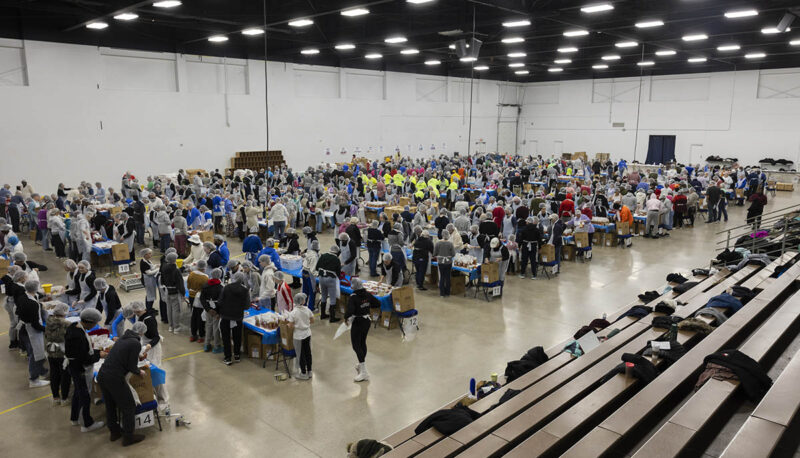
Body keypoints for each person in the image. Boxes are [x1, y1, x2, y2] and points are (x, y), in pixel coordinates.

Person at [96, 321, 147, 447]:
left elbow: (122, 355)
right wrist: (138, 371)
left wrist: (137, 357)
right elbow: (131, 366)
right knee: (129, 406)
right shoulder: (135, 343)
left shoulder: (123, 338)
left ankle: (114, 432)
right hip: (114, 378)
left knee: (110, 404)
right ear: (141, 333)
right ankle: (128, 437)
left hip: (102, 374)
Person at [64, 308, 105, 432]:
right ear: (88, 322)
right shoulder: (78, 336)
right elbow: (85, 359)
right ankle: (86, 424)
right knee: (84, 396)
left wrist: (97, 351)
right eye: (94, 323)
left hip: (75, 366)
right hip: (80, 370)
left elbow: (83, 351)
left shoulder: (74, 326)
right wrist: (99, 355)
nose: (94, 326)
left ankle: (75, 418)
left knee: (77, 392)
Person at [131, 301, 169, 410]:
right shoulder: (140, 317)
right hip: (145, 347)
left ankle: (164, 400)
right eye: (135, 312)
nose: (136, 313)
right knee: (148, 372)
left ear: (142, 309)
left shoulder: (149, 319)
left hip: (153, 348)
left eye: (137, 311)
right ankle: (153, 395)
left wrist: (148, 346)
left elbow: (156, 337)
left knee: (155, 372)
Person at [345, 278, 380, 382]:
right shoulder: (367, 294)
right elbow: (377, 303)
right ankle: (361, 364)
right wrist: (367, 306)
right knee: (362, 342)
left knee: (356, 345)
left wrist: (346, 318)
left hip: (358, 322)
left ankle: (364, 372)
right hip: (366, 322)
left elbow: (350, 311)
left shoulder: (353, 297)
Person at [17, 279, 50, 387]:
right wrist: (47, 330)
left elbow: (18, 312)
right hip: (30, 331)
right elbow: (35, 324)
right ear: (36, 288)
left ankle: (42, 371)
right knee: (35, 355)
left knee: (37, 353)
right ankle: (34, 380)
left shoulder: (22, 296)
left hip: (23, 328)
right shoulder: (32, 304)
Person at [218, 271, 250, 365]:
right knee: (237, 336)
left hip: (226, 316)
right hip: (238, 316)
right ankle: (237, 355)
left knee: (226, 337)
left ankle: (227, 357)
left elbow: (220, 301)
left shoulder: (226, 288)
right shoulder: (245, 290)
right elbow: (247, 306)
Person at [45, 302, 72, 405]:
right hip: (62, 353)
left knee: (54, 374)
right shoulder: (66, 324)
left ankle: (55, 397)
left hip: (50, 351)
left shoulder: (49, 321)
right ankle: (64, 398)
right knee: (65, 375)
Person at [288, 292, 314, 380]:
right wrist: (305, 323)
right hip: (307, 334)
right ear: (302, 301)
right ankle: (309, 371)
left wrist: (291, 325)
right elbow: (312, 320)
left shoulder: (293, 313)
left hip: (298, 336)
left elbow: (291, 325)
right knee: (308, 353)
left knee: (300, 354)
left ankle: (303, 373)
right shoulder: (307, 310)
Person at [200, 268, 224, 353]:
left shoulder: (205, 285)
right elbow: (221, 301)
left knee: (208, 326)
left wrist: (208, 309)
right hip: (216, 310)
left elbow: (202, 298)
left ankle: (207, 344)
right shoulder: (220, 287)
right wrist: (217, 311)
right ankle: (217, 346)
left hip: (208, 309)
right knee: (216, 328)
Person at [316, 246, 342, 322]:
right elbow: (338, 272)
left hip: (321, 277)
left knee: (324, 296)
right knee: (332, 298)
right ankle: (332, 317)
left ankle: (323, 314)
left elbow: (317, 267)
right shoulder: (336, 259)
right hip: (330, 279)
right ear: (336, 252)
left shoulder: (323, 256)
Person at [161, 252, 186, 333]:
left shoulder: (164, 267)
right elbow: (180, 283)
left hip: (167, 290)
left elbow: (162, 280)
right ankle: (176, 327)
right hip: (175, 291)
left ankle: (170, 326)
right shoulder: (176, 270)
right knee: (176, 309)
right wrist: (183, 293)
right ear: (175, 260)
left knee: (169, 308)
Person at [187, 260, 209, 343]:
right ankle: (201, 335)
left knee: (193, 316)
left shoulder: (192, 274)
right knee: (201, 317)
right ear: (204, 267)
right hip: (200, 299)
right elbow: (206, 290)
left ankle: (193, 335)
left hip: (191, 296)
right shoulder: (205, 277)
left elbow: (188, 285)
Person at [433, 231, 455, 296]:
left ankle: (442, 293)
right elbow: (453, 254)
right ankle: (447, 292)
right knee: (448, 277)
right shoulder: (450, 244)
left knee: (442, 277)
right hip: (448, 262)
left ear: (442, 235)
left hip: (440, 262)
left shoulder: (438, 243)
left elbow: (434, 253)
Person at [302, 240, 319, 310]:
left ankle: (303, 304)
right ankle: (311, 307)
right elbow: (312, 269)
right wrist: (318, 274)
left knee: (305, 290)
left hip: (303, 272)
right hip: (310, 274)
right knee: (312, 291)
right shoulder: (315, 256)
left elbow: (304, 257)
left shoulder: (308, 252)